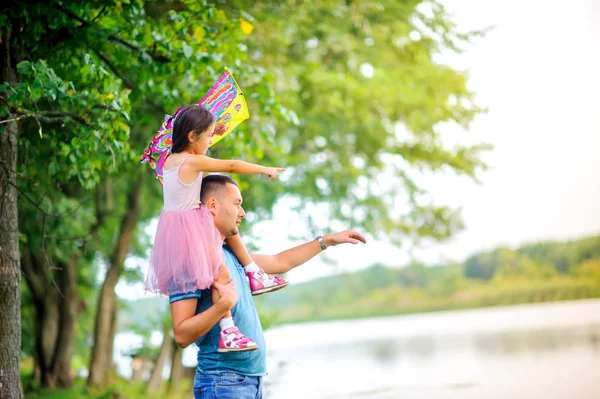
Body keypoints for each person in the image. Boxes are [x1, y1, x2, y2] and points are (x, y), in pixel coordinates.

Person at [170, 174, 367, 398]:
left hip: (250, 381)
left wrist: (327, 241)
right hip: (223, 381)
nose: (242, 213)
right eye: (237, 204)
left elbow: (280, 262)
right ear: (213, 205)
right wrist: (221, 306)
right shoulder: (190, 261)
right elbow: (182, 335)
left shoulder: (231, 255)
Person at [145, 104, 288, 353]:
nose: (211, 142)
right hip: (191, 226)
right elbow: (231, 165)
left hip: (175, 228)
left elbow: (193, 142)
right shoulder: (192, 161)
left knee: (219, 269)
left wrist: (213, 129)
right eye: (209, 137)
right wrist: (264, 169)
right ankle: (229, 328)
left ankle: (248, 285)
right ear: (192, 136)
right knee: (219, 273)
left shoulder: (170, 158)